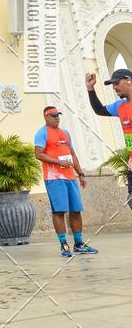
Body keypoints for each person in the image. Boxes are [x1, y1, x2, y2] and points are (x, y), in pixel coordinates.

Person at [34, 107, 98, 257]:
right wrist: (58, 161)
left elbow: (72, 155)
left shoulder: (65, 133)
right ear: (46, 117)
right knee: (59, 211)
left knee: (76, 210)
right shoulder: (42, 133)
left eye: (58, 115)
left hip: (70, 177)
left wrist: (80, 173)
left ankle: (79, 244)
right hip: (54, 178)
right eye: (53, 115)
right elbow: (38, 154)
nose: (56, 118)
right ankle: (64, 245)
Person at [86, 69, 132, 197]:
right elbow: (99, 110)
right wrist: (90, 88)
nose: (114, 87)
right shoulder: (120, 106)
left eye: (117, 83)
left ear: (129, 80)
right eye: (113, 85)